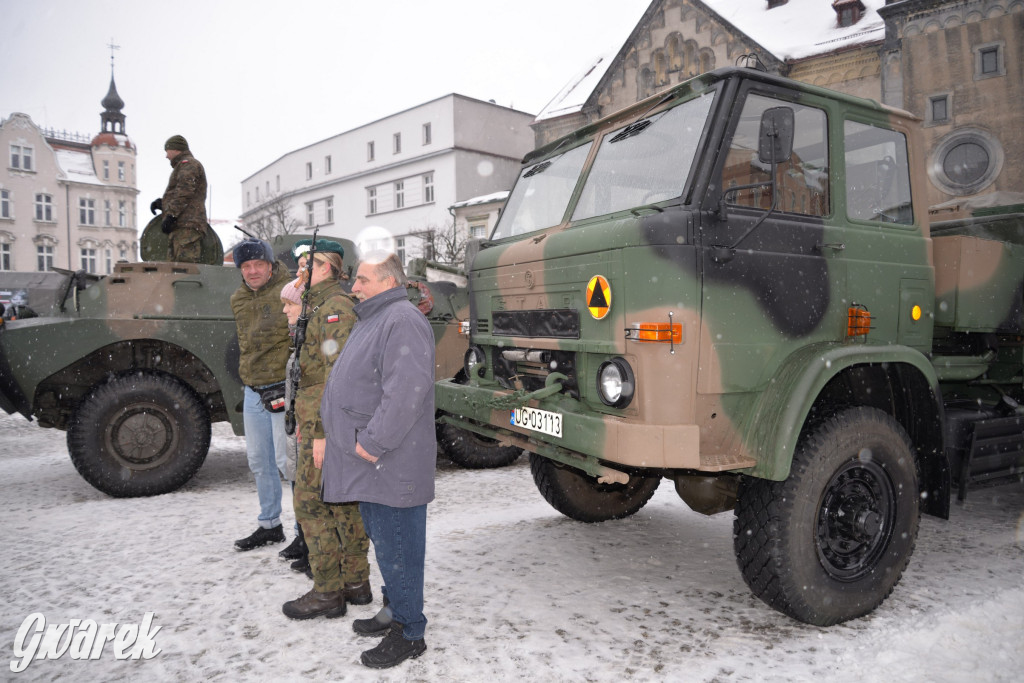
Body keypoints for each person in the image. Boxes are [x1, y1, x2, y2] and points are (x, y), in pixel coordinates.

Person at [321, 251, 436, 669]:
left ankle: (410, 631)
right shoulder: (377, 317)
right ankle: (393, 611)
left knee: (400, 548)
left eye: (363, 279)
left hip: (390, 460)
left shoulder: (401, 319)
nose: (355, 286)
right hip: (373, 462)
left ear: (388, 282)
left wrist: (373, 441)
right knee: (387, 545)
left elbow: (407, 391)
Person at [281, 240, 372, 620]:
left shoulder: (335, 308)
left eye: (307, 262)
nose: (300, 268)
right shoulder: (318, 304)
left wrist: (319, 432)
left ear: (327, 267)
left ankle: (327, 592)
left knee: (311, 505)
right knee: (342, 504)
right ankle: (354, 583)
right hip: (324, 422)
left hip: (327, 425)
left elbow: (338, 378)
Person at [229, 237, 292, 551]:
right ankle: (270, 525)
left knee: (288, 461)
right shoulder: (238, 299)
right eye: (247, 266)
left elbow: (303, 340)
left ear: (270, 265)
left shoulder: (289, 293)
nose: (253, 271)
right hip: (253, 391)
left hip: (283, 390)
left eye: (259, 265)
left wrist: (290, 379)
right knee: (259, 461)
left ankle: (307, 533)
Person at [149, 135, 208, 263]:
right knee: (174, 270)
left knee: (184, 269)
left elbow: (185, 192)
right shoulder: (183, 166)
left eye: (167, 151)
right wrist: (163, 204)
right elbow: (182, 194)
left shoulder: (188, 164)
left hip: (187, 226)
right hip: (182, 226)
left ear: (176, 149)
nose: (166, 156)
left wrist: (171, 215)